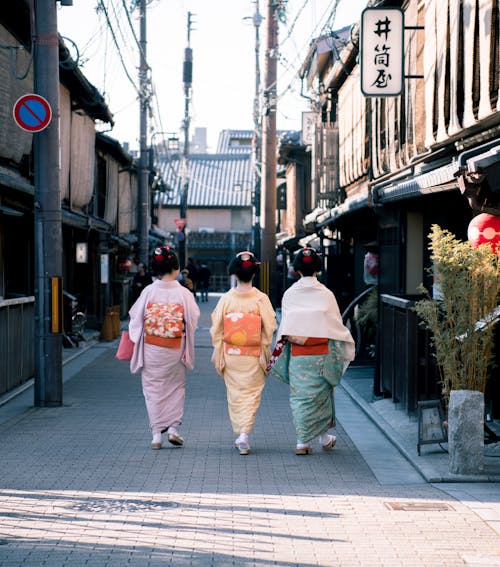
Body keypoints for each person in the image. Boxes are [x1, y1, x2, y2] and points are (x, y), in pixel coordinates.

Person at [270, 247, 355, 456]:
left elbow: (286, 327)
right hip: (321, 354)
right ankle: (322, 438)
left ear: (297, 269)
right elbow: (336, 325)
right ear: (317, 268)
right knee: (322, 396)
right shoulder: (326, 295)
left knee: (300, 398)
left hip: (299, 357)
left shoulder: (290, 294)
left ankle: (304, 441)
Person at [128, 246, 200, 450]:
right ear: (176, 268)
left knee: (152, 389)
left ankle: (156, 435)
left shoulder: (148, 291)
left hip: (152, 347)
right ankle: (173, 429)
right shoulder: (184, 293)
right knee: (176, 387)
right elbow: (193, 319)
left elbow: (136, 318)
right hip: (175, 348)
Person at [210, 251, 277, 455]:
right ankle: (244, 434)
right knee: (251, 394)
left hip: (232, 354)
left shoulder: (227, 299)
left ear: (234, 274)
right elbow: (270, 325)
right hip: (253, 354)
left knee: (235, 395)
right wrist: (263, 345)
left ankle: (241, 432)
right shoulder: (260, 299)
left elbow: (217, 328)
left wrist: (219, 348)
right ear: (254, 274)